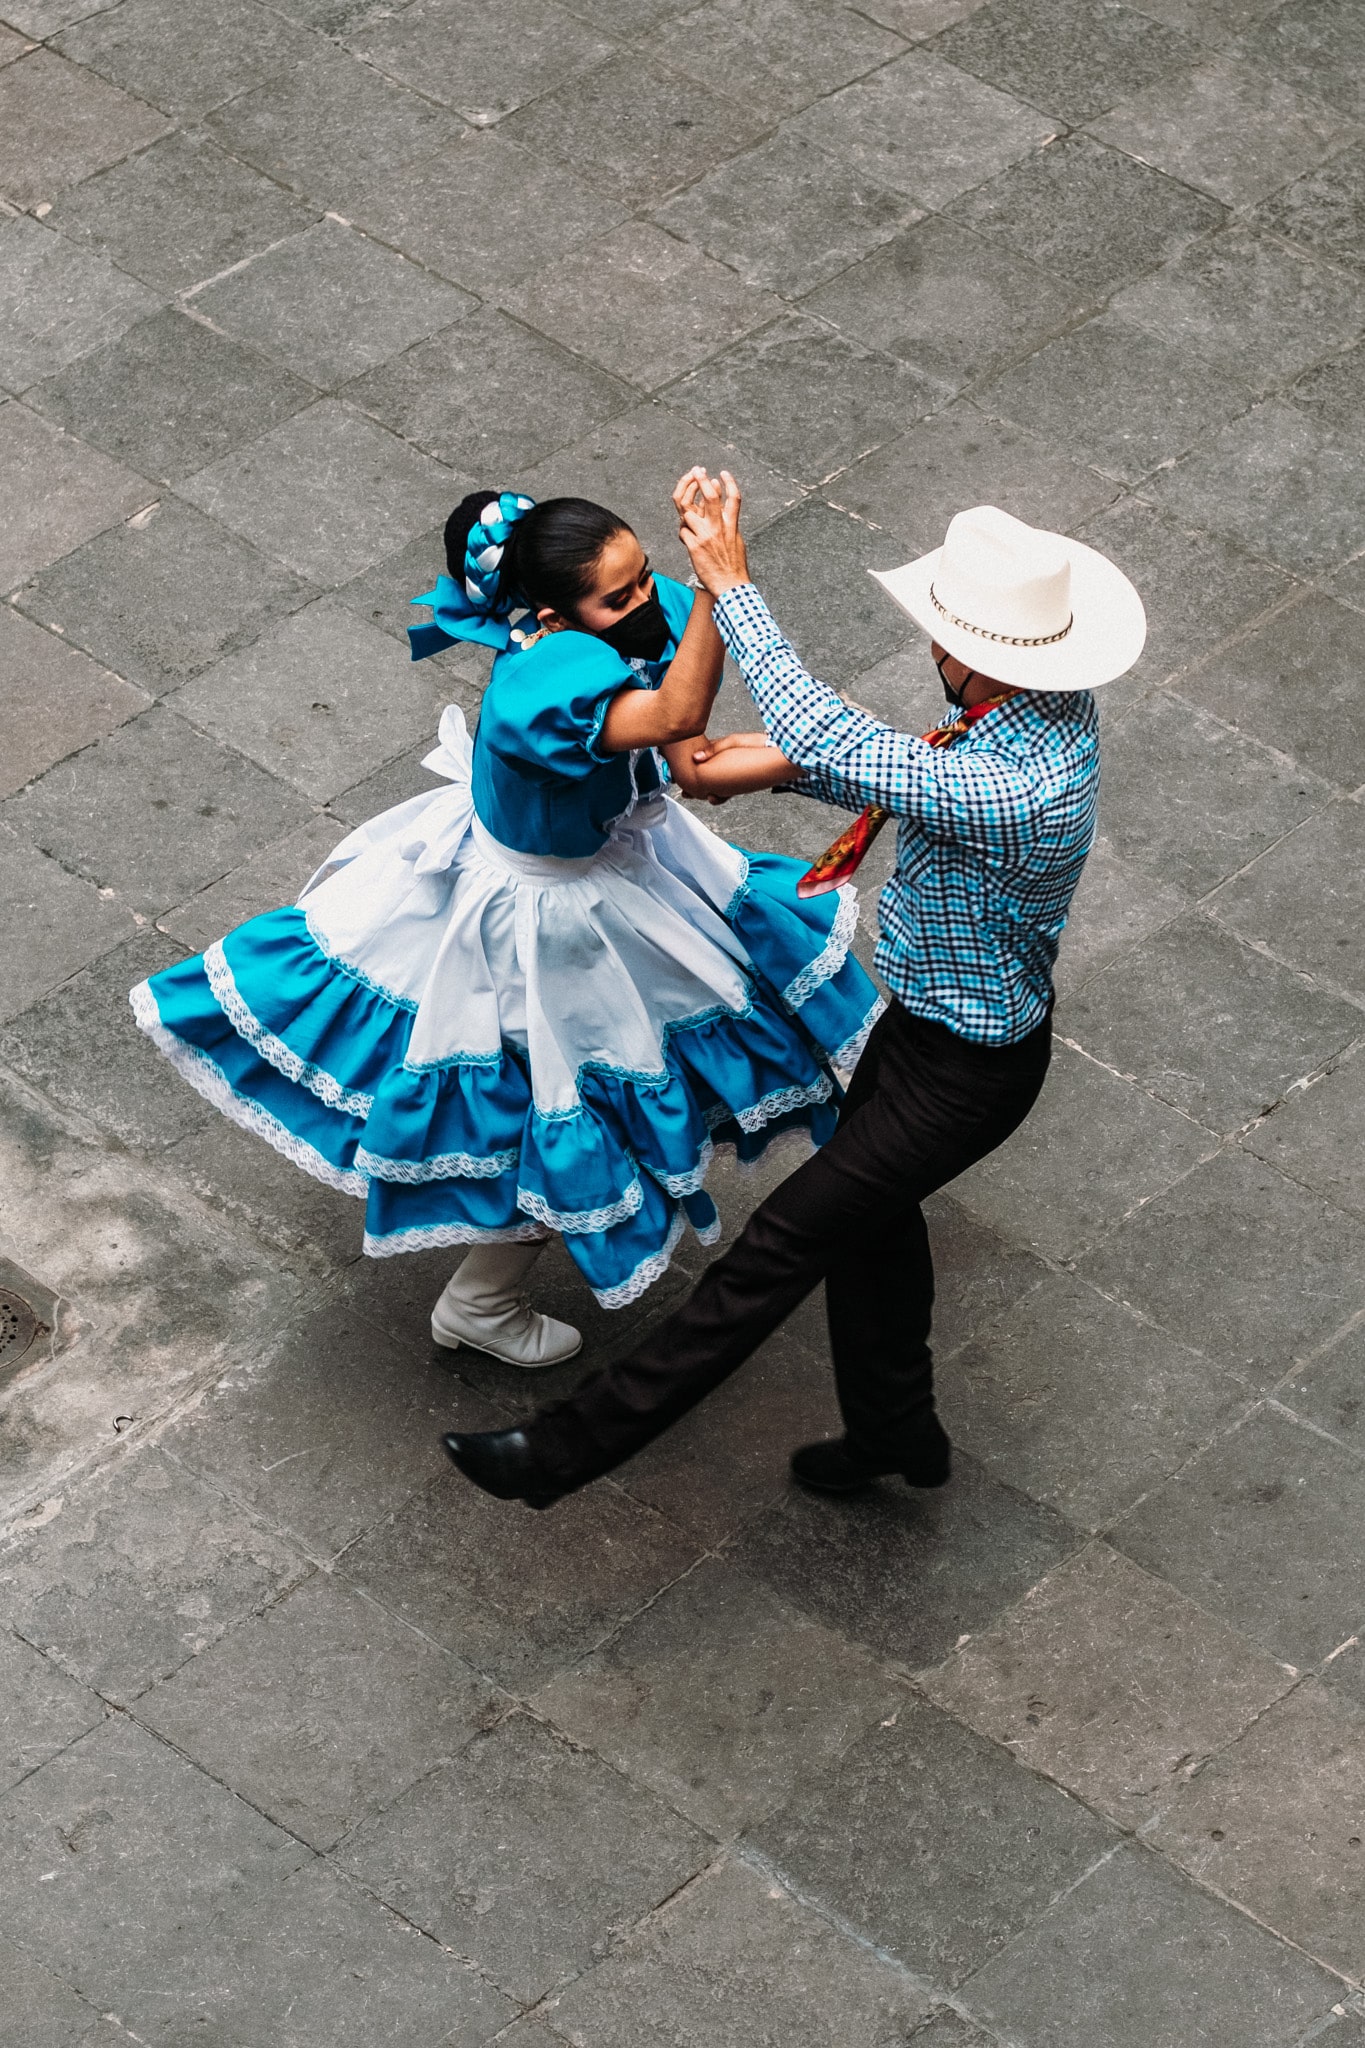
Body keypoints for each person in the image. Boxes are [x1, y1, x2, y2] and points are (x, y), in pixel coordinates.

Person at [444, 481, 1146, 1507]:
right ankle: (895, 1430)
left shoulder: (1015, 782)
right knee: (875, 1230)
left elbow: (840, 734)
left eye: (944, 637)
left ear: (982, 658)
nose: (933, 652)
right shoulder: (1031, 716)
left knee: (775, 1250)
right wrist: (773, 771)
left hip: (968, 1076)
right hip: (927, 1035)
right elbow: (905, 764)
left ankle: (556, 1454)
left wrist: (731, 583)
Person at [131, 483, 882, 1365]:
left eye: (645, 576)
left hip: (613, 870)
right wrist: (727, 587)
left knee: (664, 1046)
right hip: (541, 915)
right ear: (550, 613)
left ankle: (873, 1140)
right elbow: (679, 718)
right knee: (552, 1108)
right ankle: (480, 1304)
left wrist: (876, 758)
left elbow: (697, 764)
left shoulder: (645, 613)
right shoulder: (540, 686)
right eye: (620, 595)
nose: (647, 599)